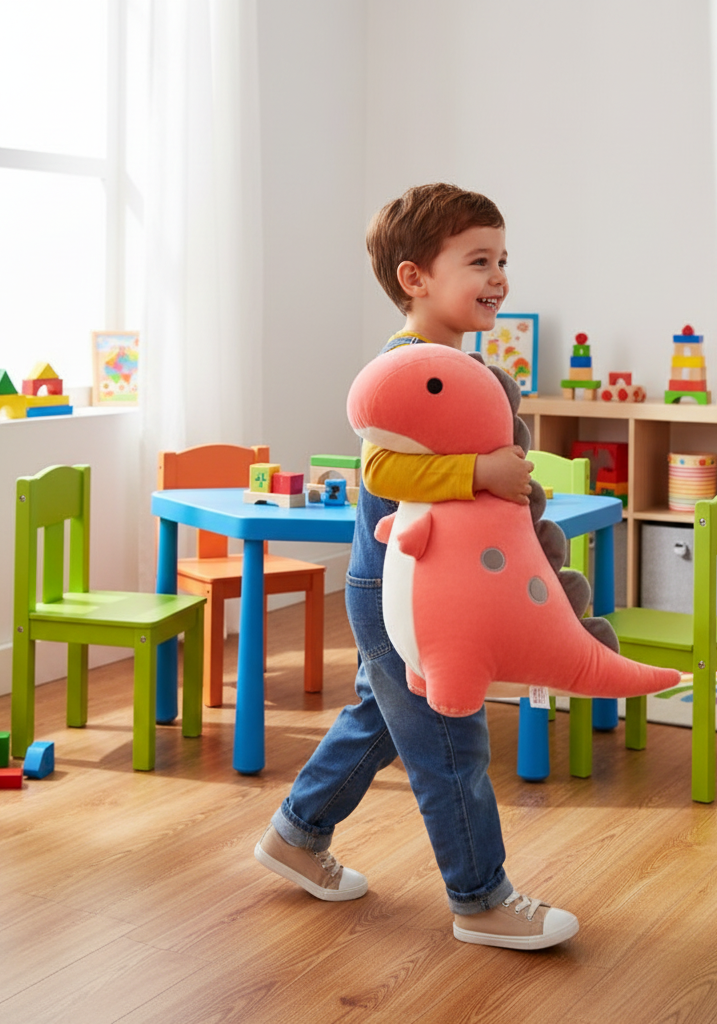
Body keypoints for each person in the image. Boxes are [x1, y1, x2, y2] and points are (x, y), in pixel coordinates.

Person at [255, 182, 579, 950]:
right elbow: (381, 473)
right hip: (403, 588)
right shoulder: (409, 366)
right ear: (415, 278)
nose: (499, 277)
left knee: (381, 720)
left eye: (503, 260)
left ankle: (297, 834)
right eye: (478, 260)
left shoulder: (455, 363)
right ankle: (480, 897)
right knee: (450, 738)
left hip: (416, 581)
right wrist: (480, 475)